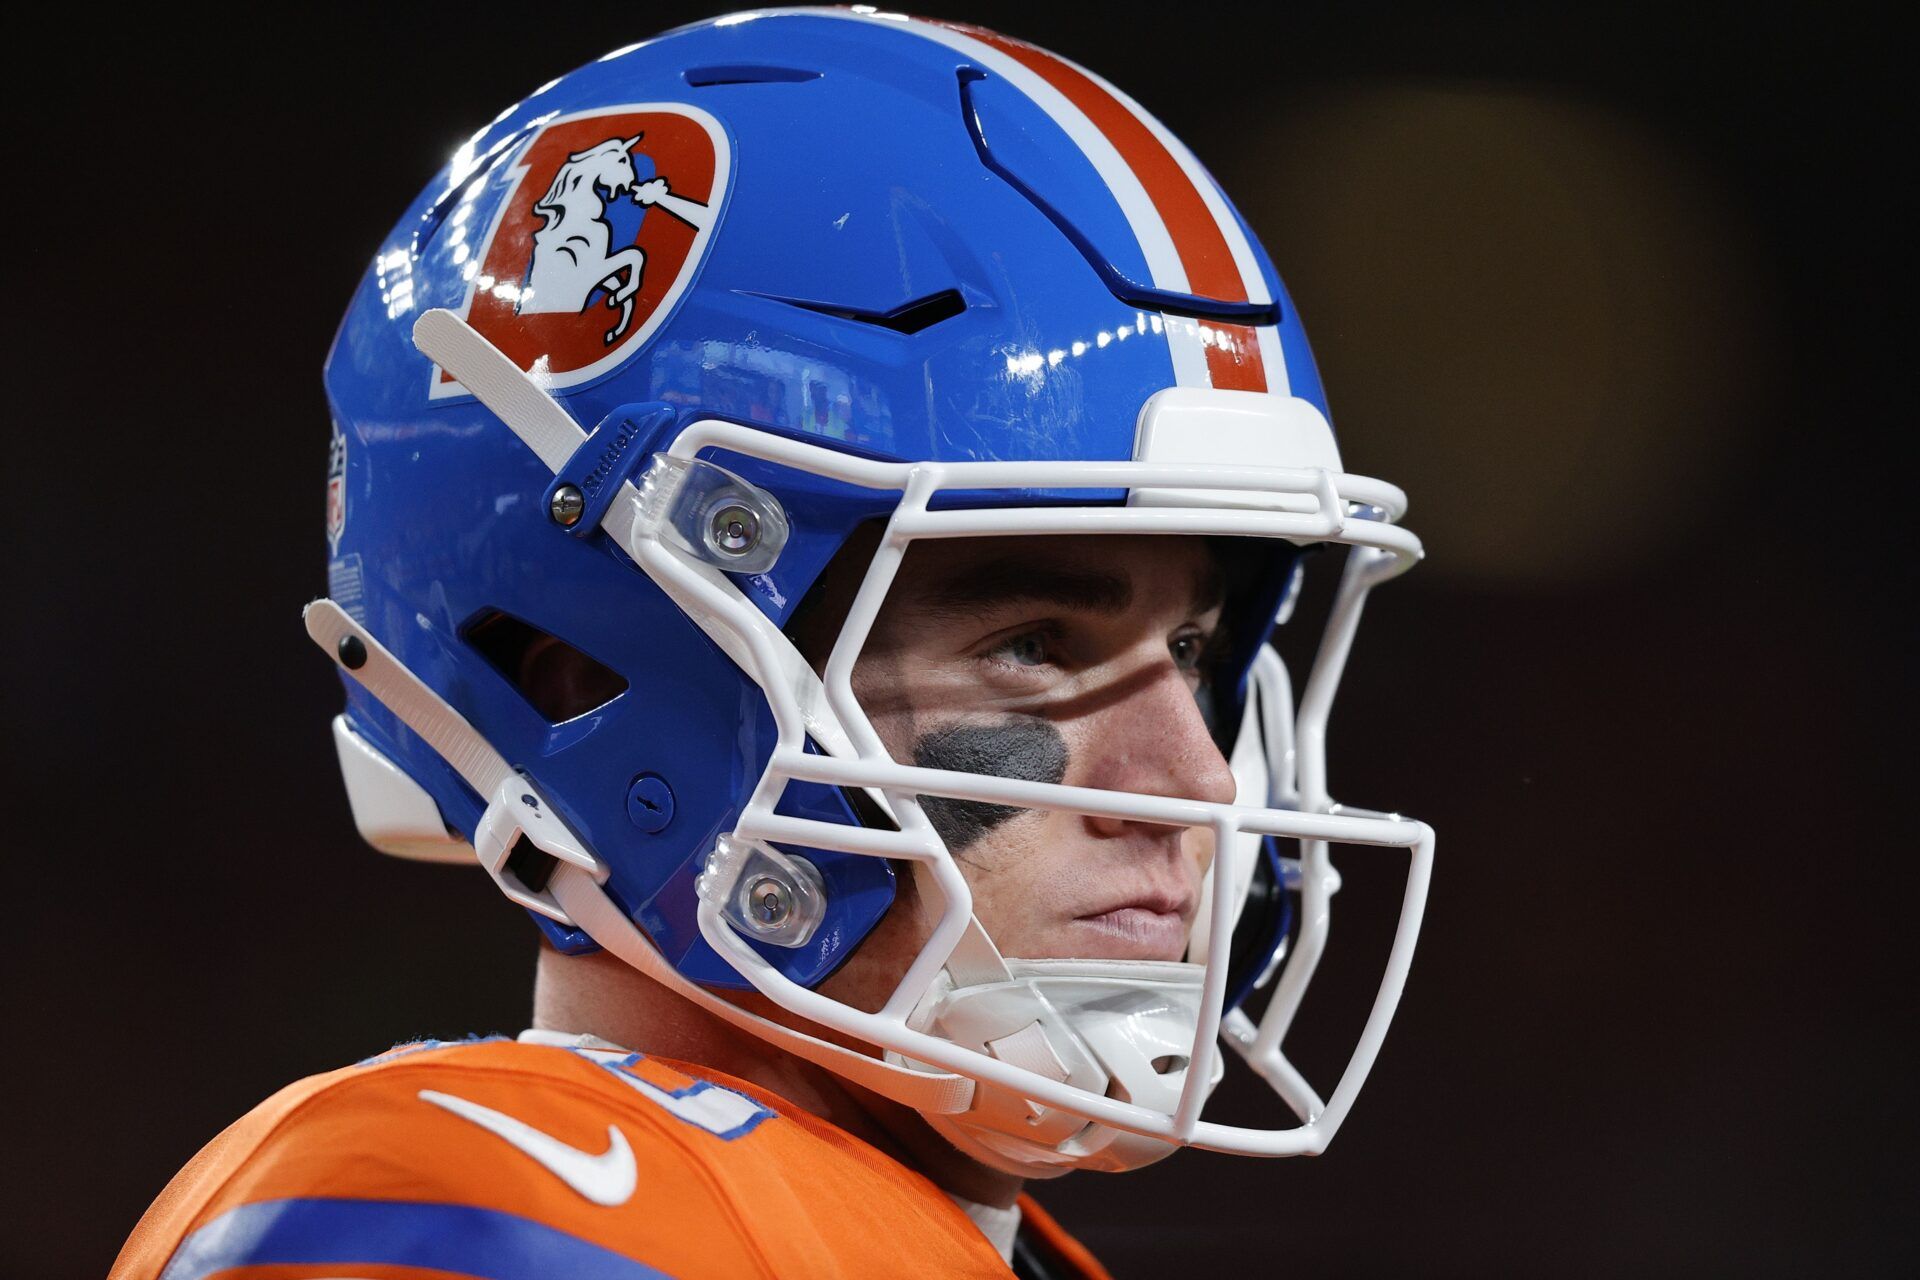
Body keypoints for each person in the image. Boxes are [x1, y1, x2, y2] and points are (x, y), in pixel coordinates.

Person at [113, 10, 1436, 1278]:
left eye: (1195, 649)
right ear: (583, 672)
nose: (1199, 785)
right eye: (1035, 643)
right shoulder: (490, 1216)